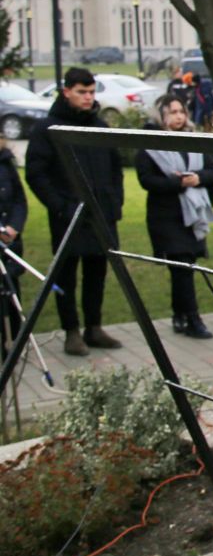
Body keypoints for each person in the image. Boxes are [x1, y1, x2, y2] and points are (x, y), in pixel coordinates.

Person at [25, 67, 123, 357]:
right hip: (67, 216)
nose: (87, 98)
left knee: (97, 272)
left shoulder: (99, 126)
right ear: (66, 91)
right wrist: (61, 206)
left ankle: (94, 327)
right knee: (66, 275)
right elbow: (36, 174)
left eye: (91, 92)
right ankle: (72, 331)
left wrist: (114, 204)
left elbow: (115, 169)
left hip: (101, 215)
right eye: (81, 92)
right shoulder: (48, 130)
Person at [135, 94, 213, 338]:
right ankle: (193, 319)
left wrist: (198, 178)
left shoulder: (193, 141)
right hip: (167, 218)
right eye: (172, 112)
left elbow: (212, 172)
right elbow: (146, 180)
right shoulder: (150, 145)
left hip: (192, 216)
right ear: (161, 116)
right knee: (181, 266)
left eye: (181, 111)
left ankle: (179, 315)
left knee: (184, 267)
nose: (179, 116)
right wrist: (177, 182)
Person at [0, 139, 27, 350]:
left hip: (9, 240)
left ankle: (15, 341)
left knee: (10, 286)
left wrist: (13, 227)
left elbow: (19, 198)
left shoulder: (6, 161)